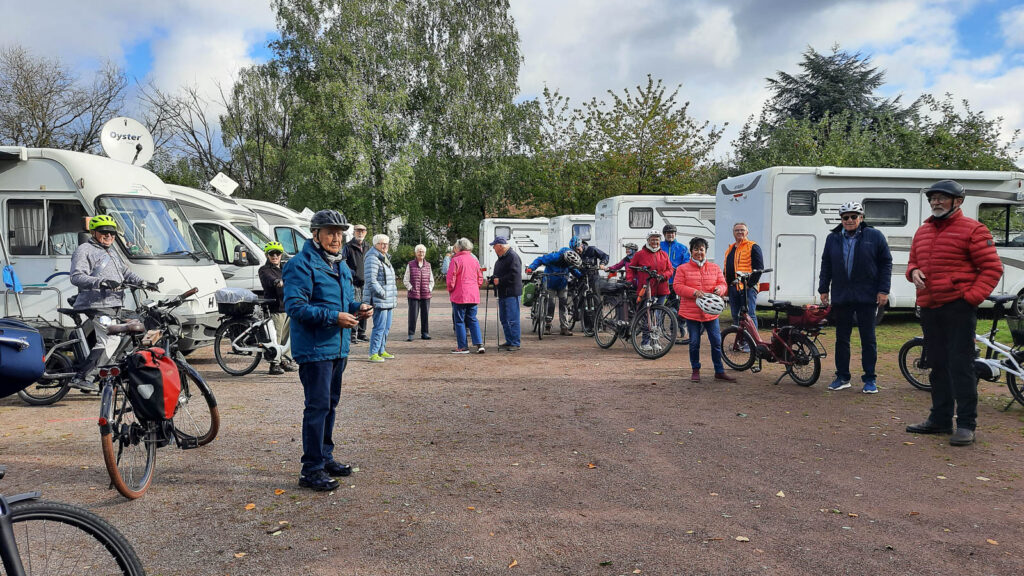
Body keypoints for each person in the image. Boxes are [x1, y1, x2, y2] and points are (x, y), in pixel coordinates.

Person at [905, 180, 1003, 446]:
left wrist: (969, 299)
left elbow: (992, 269)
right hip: (929, 307)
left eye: (942, 198)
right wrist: (912, 272)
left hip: (957, 309)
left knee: (961, 366)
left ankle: (966, 424)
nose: (936, 202)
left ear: (957, 201)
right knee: (937, 365)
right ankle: (940, 419)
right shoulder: (923, 231)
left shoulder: (973, 229)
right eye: (933, 198)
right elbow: (913, 261)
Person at [283, 209, 372, 491]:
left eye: (339, 233)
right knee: (317, 407)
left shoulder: (340, 264)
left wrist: (357, 309)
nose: (336, 238)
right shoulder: (301, 264)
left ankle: (325, 457)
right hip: (314, 348)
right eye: (330, 232)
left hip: (338, 347)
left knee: (330, 405)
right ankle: (311, 469)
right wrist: (334, 318)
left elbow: (344, 303)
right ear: (315, 234)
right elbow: (295, 307)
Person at [69, 214, 158, 391]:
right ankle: (83, 376)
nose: (109, 236)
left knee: (116, 339)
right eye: (104, 232)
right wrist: (100, 282)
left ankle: (102, 376)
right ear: (93, 232)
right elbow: (76, 276)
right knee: (109, 340)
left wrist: (144, 282)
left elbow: (126, 273)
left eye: (112, 233)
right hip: (96, 305)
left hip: (113, 305)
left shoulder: (111, 251)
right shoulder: (84, 250)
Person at [818, 201, 892, 394]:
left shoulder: (874, 236)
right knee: (842, 339)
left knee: (868, 339)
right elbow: (826, 264)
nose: (849, 220)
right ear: (841, 220)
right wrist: (823, 288)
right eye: (845, 217)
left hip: (867, 296)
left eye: (853, 216)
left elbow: (886, 263)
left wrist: (883, 290)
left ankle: (870, 379)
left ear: (861, 218)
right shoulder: (832, 238)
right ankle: (842, 377)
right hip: (842, 296)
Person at [674, 237, 734, 383]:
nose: (699, 252)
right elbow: (677, 286)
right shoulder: (682, 269)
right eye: (696, 249)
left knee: (716, 341)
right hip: (692, 311)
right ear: (691, 251)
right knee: (694, 342)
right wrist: (693, 292)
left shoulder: (715, 267)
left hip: (711, 313)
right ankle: (695, 370)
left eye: (701, 249)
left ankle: (719, 371)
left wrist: (719, 289)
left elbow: (723, 284)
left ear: (705, 251)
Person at [259, 241, 297, 375]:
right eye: (271, 254)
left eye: (278, 253)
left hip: (287, 306)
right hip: (275, 308)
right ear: (267, 255)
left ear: (281, 255)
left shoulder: (284, 268)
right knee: (276, 336)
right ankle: (274, 364)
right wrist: (277, 282)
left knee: (287, 337)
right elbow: (269, 279)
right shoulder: (264, 270)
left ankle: (285, 360)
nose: (275, 256)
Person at [526, 246, 578, 336]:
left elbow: (574, 270)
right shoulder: (553, 257)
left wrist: (581, 275)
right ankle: (547, 325)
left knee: (563, 305)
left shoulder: (569, 261)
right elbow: (540, 260)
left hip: (562, 284)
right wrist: (531, 268)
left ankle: (564, 328)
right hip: (550, 283)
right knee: (551, 303)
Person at [363, 234, 398, 363]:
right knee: (379, 327)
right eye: (382, 243)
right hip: (380, 299)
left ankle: (381, 350)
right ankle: (373, 353)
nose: (385, 246)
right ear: (375, 244)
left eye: (387, 243)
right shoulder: (372, 258)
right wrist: (383, 293)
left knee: (386, 327)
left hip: (388, 299)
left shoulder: (384, 257)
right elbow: (371, 281)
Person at [446, 237, 485, 353]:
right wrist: (475, 288)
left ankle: (463, 346)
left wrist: (451, 289)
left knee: (459, 321)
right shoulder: (474, 260)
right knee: (472, 319)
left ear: (459, 247)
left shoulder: (456, 260)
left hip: (460, 295)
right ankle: (479, 344)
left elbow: (450, 278)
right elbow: (480, 278)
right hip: (473, 294)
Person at [724, 222, 764, 328]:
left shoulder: (753, 246)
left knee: (749, 316)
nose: (739, 232)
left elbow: (759, 268)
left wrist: (750, 284)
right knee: (735, 316)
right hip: (733, 288)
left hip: (748, 288)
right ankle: (740, 341)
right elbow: (726, 268)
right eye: (737, 230)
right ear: (733, 233)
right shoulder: (730, 249)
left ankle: (752, 342)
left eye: (742, 230)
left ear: (747, 232)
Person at [489, 236, 522, 351]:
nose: (493, 248)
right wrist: (493, 278)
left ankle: (515, 342)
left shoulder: (512, 257)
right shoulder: (502, 257)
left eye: (494, 246)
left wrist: (500, 280)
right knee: (504, 318)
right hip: (503, 292)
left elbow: (515, 275)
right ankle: (509, 340)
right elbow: (501, 272)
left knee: (513, 319)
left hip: (511, 292)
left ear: (500, 246)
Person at [630, 231, 674, 305]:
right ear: (648, 241)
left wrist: (663, 276)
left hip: (662, 289)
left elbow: (670, 270)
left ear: (660, 241)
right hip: (645, 289)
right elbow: (631, 268)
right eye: (652, 240)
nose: (655, 242)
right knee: (645, 313)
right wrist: (632, 280)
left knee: (659, 314)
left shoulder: (664, 254)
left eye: (657, 240)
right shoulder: (639, 254)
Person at [342, 224, 369, 343]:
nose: (360, 233)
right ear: (354, 232)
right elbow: (343, 263)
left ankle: (362, 332)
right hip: (354, 282)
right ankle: (353, 332)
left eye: (362, 231)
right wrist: (354, 273)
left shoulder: (368, 247)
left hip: (366, 282)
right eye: (358, 231)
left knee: (366, 307)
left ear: (366, 233)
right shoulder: (348, 246)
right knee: (355, 307)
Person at [403, 244, 434, 341]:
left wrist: (429, 288)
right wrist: (411, 288)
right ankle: (411, 333)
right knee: (412, 315)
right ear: (416, 253)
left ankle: (425, 333)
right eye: (419, 251)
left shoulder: (428, 265)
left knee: (425, 315)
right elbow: (405, 280)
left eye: (423, 251)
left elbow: (431, 280)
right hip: (413, 294)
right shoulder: (410, 264)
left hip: (426, 294)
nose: (421, 253)